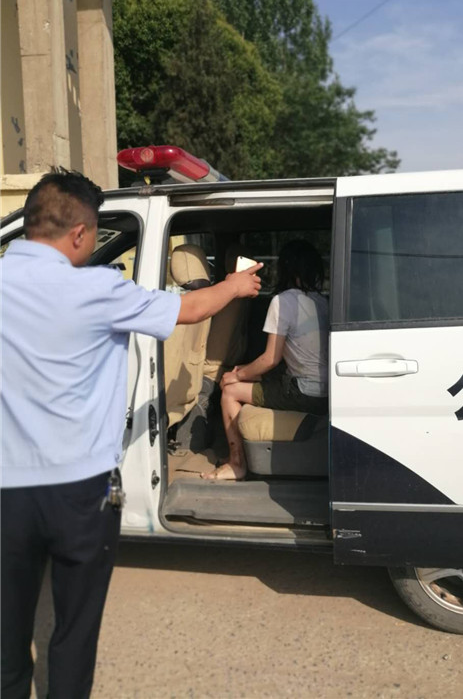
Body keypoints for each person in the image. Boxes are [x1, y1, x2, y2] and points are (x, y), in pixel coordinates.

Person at [0, 170, 262, 699]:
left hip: (6, 492)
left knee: (6, 636)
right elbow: (190, 309)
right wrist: (236, 286)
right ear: (79, 233)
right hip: (81, 493)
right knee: (74, 632)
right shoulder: (99, 289)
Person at [202, 239, 328, 481]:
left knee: (229, 390)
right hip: (324, 393)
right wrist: (245, 371)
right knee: (248, 374)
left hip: (303, 393)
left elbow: (271, 359)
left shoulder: (283, 301)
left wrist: (236, 376)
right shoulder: (322, 302)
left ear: (285, 269)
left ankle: (236, 463)